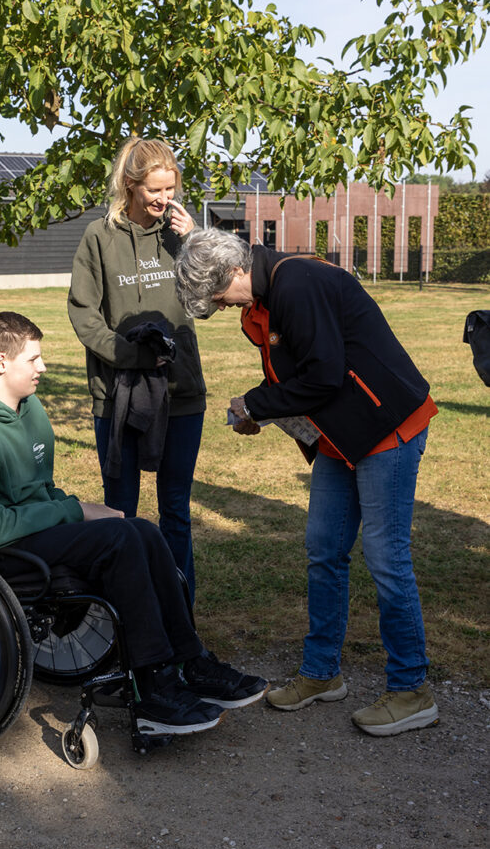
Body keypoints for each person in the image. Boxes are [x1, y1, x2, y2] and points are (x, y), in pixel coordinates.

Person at [0, 311, 268, 736]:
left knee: (143, 530)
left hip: (31, 532)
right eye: (33, 359)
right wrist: (75, 511)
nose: (42, 367)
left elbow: (40, 491)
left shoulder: (28, 410)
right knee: (119, 539)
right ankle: (153, 689)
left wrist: (74, 507)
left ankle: (189, 661)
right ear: (0, 363)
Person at [174, 229, 440, 738]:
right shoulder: (266, 298)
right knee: (323, 550)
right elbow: (294, 375)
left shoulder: (296, 283)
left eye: (217, 297)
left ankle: (412, 690)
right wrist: (260, 409)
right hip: (343, 437)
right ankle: (322, 673)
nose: (220, 307)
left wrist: (256, 405)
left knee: (386, 558)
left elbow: (323, 375)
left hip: (387, 428)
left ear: (235, 271)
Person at [68, 138, 206, 602]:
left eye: (170, 189)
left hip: (180, 392)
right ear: (130, 185)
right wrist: (131, 355)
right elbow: (84, 314)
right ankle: (125, 612)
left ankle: (179, 612)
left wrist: (194, 243)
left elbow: (209, 302)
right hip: (118, 395)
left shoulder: (179, 234)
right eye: (154, 190)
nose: (165, 199)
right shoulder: (98, 237)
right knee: (120, 513)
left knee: (176, 512)